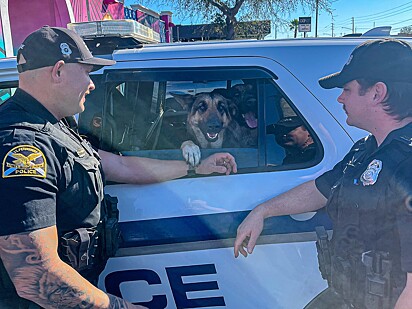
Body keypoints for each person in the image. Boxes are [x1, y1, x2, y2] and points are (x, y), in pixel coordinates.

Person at [0, 26, 237, 309]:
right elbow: (34, 275)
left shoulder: (55, 126)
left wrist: (195, 167)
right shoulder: (22, 146)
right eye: (87, 73)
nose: (92, 84)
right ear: (58, 71)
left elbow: (120, 166)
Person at [234, 38, 412, 309]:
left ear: (377, 93)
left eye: (348, 89)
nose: (340, 97)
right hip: (351, 297)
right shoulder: (367, 149)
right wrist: (263, 210)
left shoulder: (407, 163)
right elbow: (323, 188)